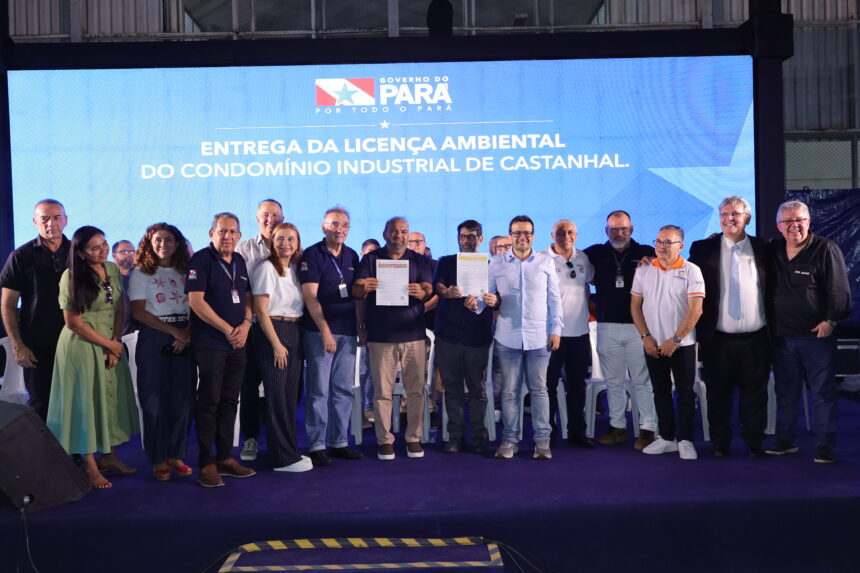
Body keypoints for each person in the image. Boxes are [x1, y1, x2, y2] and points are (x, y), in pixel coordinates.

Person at [46, 226, 140, 489]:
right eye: (95, 248)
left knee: (111, 399)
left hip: (110, 343)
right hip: (81, 347)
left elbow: (119, 307)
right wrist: (109, 345)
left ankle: (109, 456)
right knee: (84, 403)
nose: (103, 251)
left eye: (104, 244)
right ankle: (89, 466)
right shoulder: (71, 276)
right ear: (81, 252)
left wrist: (115, 341)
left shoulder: (111, 269)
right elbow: (73, 323)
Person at [765, 200, 851, 463]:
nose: (795, 226)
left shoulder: (826, 248)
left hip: (816, 338)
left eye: (800, 220)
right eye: (788, 221)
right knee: (786, 392)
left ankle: (824, 444)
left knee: (823, 392)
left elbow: (839, 289)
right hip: (782, 338)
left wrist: (831, 320)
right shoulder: (772, 249)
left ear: (809, 221)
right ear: (779, 226)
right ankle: (786, 440)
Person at [688, 196, 771, 458]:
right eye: (724, 214)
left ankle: (754, 443)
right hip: (717, 338)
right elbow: (683, 277)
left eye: (735, 214)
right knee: (718, 394)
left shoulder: (764, 248)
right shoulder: (703, 248)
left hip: (756, 337)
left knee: (755, 394)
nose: (729, 219)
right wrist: (649, 260)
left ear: (748, 218)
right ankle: (720, 443)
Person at [353, 217, 433, 461]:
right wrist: (364, 286)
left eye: (403, 231)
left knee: (416, 390)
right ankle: (384, 441)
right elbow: (356, 290)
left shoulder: (419, 259)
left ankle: (413, 438)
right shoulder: (371, 259)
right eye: (394, 231)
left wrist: (422, 291)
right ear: (385, 234)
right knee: (382, 392)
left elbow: (429, 289)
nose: (399, 235)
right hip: (381, 336)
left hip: (414, 335)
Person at [186, 212, 256, 487]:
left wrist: (246, 325)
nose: (227, 236)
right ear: (211, 233)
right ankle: (206, 463)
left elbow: (247, 297)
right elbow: (196, 302)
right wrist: (228, 330)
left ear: (239, 235)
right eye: (222, 231)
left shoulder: (239, 260)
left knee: (230, 401)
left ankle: (225, 457)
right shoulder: (201, 260)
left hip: (238, 342)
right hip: (211, 343)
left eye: (232, 232)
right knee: (209, 401)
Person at [488, 215, 562, 460]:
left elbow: (554, 299)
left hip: (539, 338)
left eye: (527, 233)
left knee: (539, 390)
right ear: (510, 236)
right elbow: (485, 295)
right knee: (509, 391)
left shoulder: (545, 262)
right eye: (517, 233)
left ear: (533, 236)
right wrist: (478, 302)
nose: (522, 237)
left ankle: (542, 441)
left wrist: (556, 329)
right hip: (507, 337)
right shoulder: (496, 263)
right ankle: (510, 440)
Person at [584, 211, 658, 450]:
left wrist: (654, 261)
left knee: (642, 381)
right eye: (614, 229)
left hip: (639, 327)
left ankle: (648, 429)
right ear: (606, 231)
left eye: (623, 229)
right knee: (613, 382)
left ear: (631, 229)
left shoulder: (646, 252)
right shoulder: (594, 253)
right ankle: (617, 427)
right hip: (606, 326)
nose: (619, 233)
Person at [128, 223, 197, 481]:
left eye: (169, 239)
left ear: (178, 244)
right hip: (155, 336)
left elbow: (197, 304)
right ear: (149, 242)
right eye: (158, 239)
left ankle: (176, 455)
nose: (163, 244)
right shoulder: (140, 272)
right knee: (154, 400)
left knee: (183, 400)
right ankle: (158, 458)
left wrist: (186, 332)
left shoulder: (186, 272)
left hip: (185, 334)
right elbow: (138, 311)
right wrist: (174, 332)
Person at [630, 225, 705, 460]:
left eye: (668, 242)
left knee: (684, 392)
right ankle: (666, 437)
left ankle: (685, 440)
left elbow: (696, 310)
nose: (662, 246)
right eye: (659, 241)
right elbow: (635, 306)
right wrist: (645, 337)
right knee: (660, 391)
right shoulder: (644, 270)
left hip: (682, 344)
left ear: (680, 246)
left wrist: (675, 339)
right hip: (652, 344)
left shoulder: (692, 271)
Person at [300, 207, 363, 466]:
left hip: (347, 331)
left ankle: (339, 442)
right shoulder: (312, 254)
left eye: (344, 225)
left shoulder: (352, 255)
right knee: (319, 391)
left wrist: (361, 327)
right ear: (324, 227)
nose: (340, 229)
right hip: (319, 333)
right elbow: (309, 296)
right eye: (335, 224)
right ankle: (316, 445)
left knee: (343, 390)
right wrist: (326, 331)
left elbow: (357, 295)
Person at [0, 199, 70, 420]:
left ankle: (76, 445)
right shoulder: (21, 256)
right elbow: (8, 304)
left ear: (65, 220)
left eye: (56, 217)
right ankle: (44, 445)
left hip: (76, 341)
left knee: (76, 403)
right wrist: (17, 345)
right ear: (34, 221)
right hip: (37, 345)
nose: (51, 224)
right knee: (42, 405)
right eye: (45, 218)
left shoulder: (79, 254)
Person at [253, 223, 312, 472]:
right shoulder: (266, 268)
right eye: (280, 239)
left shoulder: (297, 269)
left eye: (290, 239)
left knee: (290, 397)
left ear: (297, 243)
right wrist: (276, 345)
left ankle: (290, 451)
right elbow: (260, 310)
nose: (285, 243)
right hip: (273, 332)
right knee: (277, 396)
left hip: (295, 331)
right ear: (272, 242)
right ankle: (281, 459)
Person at [433, 219, 493, 453]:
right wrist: (447, 292)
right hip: (448, 336)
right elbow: (437, 286)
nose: (466, 241)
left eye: (471, 236)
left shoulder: (490, 265)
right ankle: (455, 436)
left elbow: (499, 296)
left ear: (480, 239)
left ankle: (479, 436)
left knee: (478, 389)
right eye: (462, 236)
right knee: (452, 388)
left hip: (478, 337)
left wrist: (493, 299)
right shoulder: (446, 262)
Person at [235, 199, 285, 462]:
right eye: (265, 215)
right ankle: (251, 438)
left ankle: (282, 440)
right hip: (253, 326)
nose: (270, 219)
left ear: (282, 218)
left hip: (284, 326)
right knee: (249, 386)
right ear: (257, 219)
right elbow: (239, 288)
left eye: (275, 215)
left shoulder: (290, 245)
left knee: (285, 387)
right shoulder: (243, 249)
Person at [542, 219, 595, 447]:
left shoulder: (582, 258)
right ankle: (548, 432)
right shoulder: (542, 259)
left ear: (577, 234)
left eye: (570, 232)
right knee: (548, 386)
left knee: (577, 386)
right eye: (561, 232)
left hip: (580, 333)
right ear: (552, 235)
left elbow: (589, 282)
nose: (566, 236)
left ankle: (577, 431)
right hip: (551, 334)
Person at [359, 238, 380, 427]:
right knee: (362, 372)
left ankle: (370, 409)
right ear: (362, 254)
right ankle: (363, 411)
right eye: (369, 253)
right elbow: (357, 301)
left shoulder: (382, 274)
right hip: (359, 330)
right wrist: (360, 328)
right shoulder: (359, 274)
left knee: (374, 373)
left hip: (378, 330)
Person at [112, 240, 136, 336]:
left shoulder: (140, 276)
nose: (129, 254)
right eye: (124, 251)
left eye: (132, 251)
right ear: (114, 255)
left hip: (136, 333)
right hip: (114, 333)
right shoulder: (107, 277)